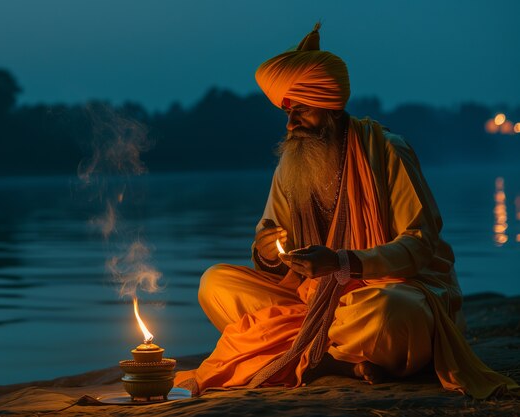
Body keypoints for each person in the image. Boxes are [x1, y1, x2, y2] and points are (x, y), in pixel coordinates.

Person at [174, 24, 518, 398]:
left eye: (300, 111)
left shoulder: (386, 151)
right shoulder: (292, 163)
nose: (290, 124)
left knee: (387, 314)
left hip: (384, 293)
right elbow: (266, 242)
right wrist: (269, 251)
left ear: (330, 109)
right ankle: (338, 360)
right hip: (311, 301)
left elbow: (420, 245)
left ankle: (310, 351)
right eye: (287, 113)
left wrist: (342, 262)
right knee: (215, 284)